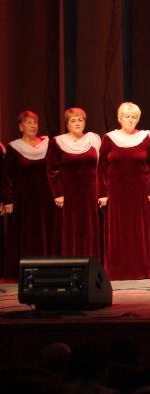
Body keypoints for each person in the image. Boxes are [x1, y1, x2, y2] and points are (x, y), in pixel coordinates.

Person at [98, 102, 150, 280]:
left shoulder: (146, 137)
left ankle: (141, 270)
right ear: (119, 118)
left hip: (140, 193)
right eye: (127, 116)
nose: (130, 120)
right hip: (116, 193)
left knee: (138, 232)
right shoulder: (109, 138)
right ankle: (118, 271)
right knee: (119, 232)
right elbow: (101, 168)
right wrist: (103, 194)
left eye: (134, 117)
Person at [2, 111, 58, 277]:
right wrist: (7, 200)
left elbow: (55, 169)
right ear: (21, 127)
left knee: (45, 232)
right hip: (23, 200)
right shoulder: (14, 148)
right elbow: (6, 176)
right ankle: (24, 270)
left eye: (35, 122)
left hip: (45, 198)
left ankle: (47, 268)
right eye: (28, 122)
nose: (33, 126)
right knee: (26, 234)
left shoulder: (47, 144)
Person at [47, 108, 102, 258]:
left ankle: (91, 261)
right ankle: (71, 261)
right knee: (70, 227)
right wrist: (58, 193)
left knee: (89, 228)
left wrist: (101, 192)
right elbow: (51, 170)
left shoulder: (93, 139)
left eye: (80, 120)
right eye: (73, 120)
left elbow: (101, 167)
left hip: (90, 193)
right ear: (67, 124)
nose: (77, 123)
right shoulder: (58, 142)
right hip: (68, 194)